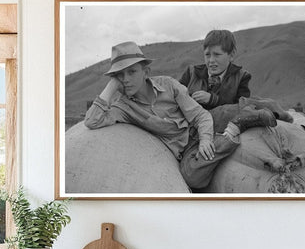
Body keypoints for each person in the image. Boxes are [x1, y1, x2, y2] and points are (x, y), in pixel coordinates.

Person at [84, 41, 277, 190]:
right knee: (192, 177)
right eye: (119, 75)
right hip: (184, 149)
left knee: (230, 109)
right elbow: (92, 121)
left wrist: (205, 139)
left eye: (132, 72)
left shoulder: (168, 85)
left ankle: (270, 109)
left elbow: (201, 116)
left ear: (146, 71)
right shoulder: (123, 108)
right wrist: (111, 87)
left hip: (200, 125)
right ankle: (238, 126)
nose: (126, 80)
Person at [180, 29, 305, 162]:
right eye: (207, 55)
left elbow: (240, 105)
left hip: (228, 119)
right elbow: (176, 98)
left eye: (217, 55)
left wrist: (213, 99)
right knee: (260, 104)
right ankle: (293, 123)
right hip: (199, 122)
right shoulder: (192, 73)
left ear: (231, 55)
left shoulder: (241, 76)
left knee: (248, 104)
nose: (211, 60)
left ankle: (301, 131)